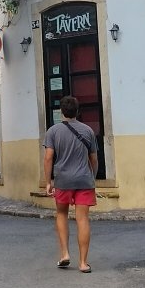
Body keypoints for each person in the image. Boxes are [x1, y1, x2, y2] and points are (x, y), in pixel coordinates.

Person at [43, 95, 98, 272]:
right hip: (84, 180)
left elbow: (48, 158)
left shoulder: (53, 131)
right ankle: (83, 263)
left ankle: (65, 254)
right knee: (82, 219)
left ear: (61, 111)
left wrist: (48, 182)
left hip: (63, 180)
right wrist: (92, 177)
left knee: (61, 214)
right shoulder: (88, 131)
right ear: (77, 111)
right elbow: (94, 159)